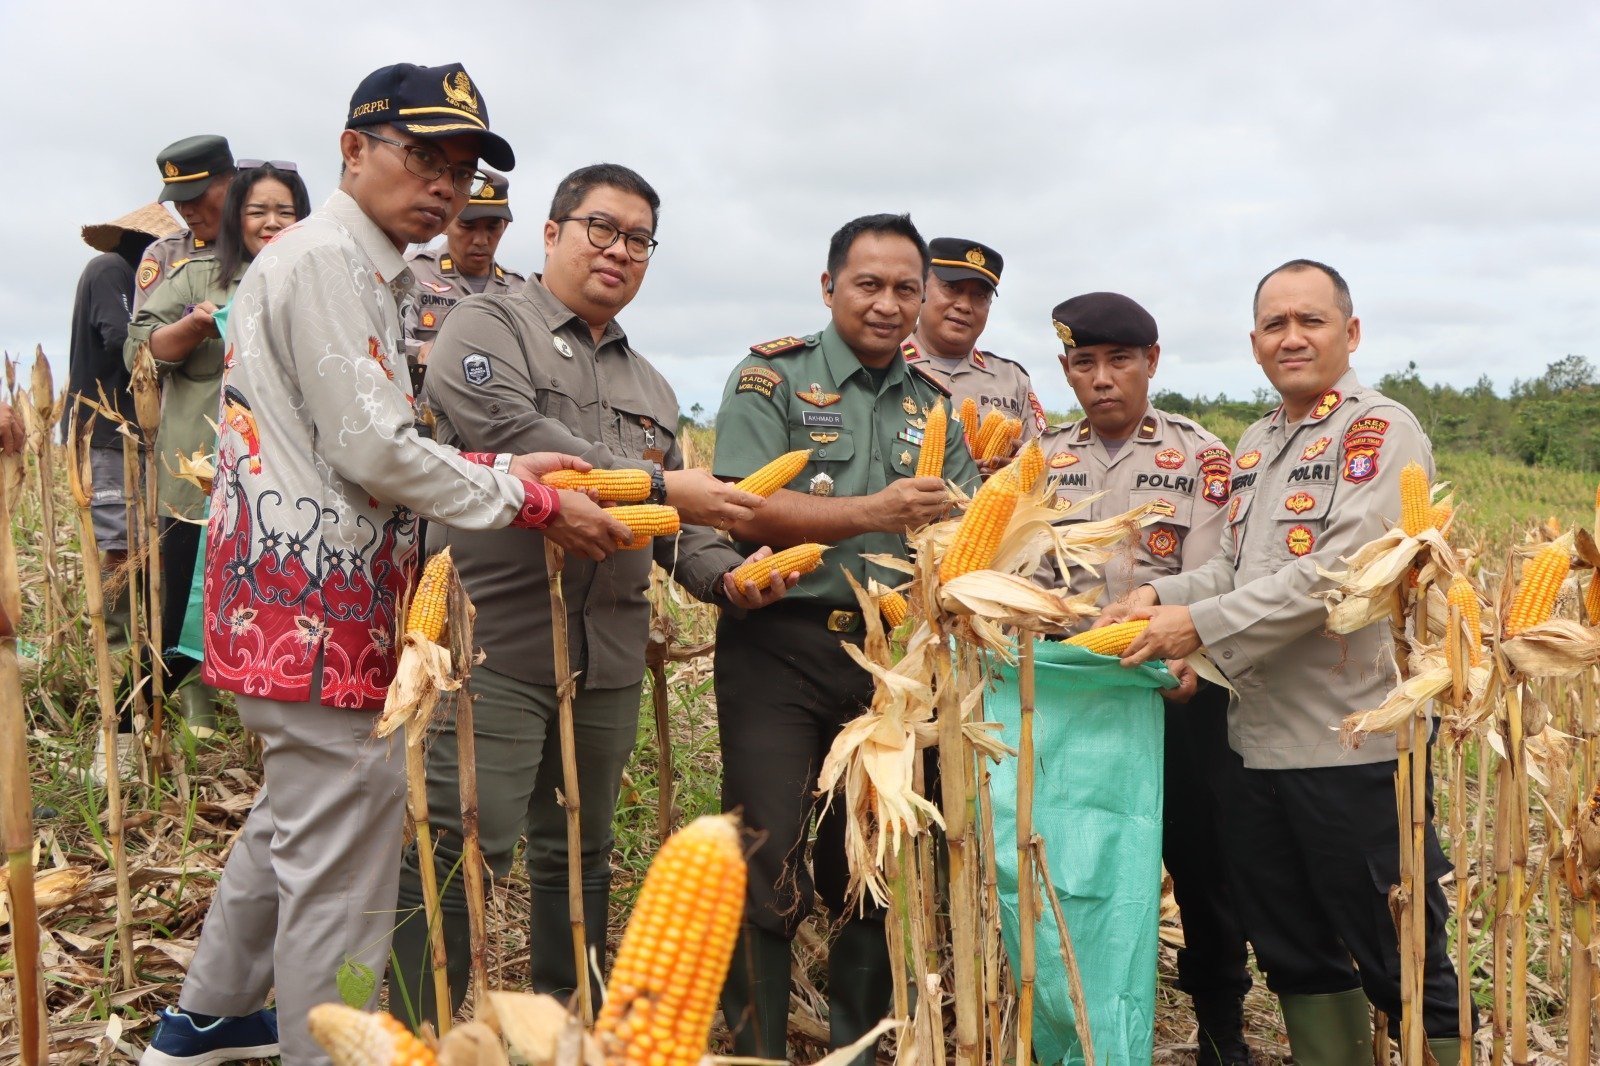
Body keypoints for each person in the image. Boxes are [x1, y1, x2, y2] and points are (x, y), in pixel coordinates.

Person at [139, 62, 630, 1066]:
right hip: (314, 618)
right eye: (423, 158)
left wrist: (499, 463)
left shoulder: (365, 269)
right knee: (347, 883)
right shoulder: (325, 262)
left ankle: (210, 1018)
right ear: (352, 149)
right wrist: (529, 497)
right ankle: (332, 1047)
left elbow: (354, 438)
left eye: (459, 167)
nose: (445, 186)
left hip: (309, 611)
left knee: (294, 823)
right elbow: (372, 453)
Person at [394, 162, 793, 1022]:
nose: (619, 251)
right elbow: (510, 432)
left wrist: (727, 578)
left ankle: (565, 1020)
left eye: (638, 240)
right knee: (460, 843)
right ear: (552, 233)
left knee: (580, 849)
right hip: (491, 642)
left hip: (606, 649)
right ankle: (404, 1029)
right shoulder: (486, 323)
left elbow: (680, 521)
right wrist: (657, 488)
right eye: (600, 229)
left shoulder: (651, 385)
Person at [1103, 260, 1471, 1065]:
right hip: (1256, 743)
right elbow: (1241, 570)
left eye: (1311, 321)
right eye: (1275, 324)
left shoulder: (1380, 431)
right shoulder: (1261, 439)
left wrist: (1190, 624)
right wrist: (1157, 592)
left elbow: (1331, 579)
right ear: (1255, 342)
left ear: (1351, 332)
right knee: (1295, 951)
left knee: (1400, 957)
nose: (1292, 337)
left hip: (1350, 743)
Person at [711, 213, 981, 1065]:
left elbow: (964, 529)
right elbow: (739, 505)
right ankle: (752, 1048)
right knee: (769, 869)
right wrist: (872, 514)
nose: (889, 303)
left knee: (872, 874)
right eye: (869, 284)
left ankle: (854, 1053)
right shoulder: (773, 380)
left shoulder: (936, 406)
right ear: (829, 288)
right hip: (781, 650)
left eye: (908, 288)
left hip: (894, 673)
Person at [1037, 292, 1250, 1065]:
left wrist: (1184, 658)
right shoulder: (1042, 458)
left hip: (1174, 690)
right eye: (1085, 364)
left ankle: (1221, 1028)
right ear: (1066, 370)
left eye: (1119, 361)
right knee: (1076, 855)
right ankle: (1079, 1018)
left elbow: (1220, 576)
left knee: (1203, 860)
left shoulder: (1201, 457)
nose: (1102, 379)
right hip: (1075, 695)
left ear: (1151, 363)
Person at [125, 162, 311, 738]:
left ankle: (256, 710)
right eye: (259, 211)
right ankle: (145, 724)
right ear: (237, 217)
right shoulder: (191, 275)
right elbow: (141, 356)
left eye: (286, 211)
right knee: (177, 591)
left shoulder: (318, 279)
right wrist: (196, 329)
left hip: (280, 477)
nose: (273, 222)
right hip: (196, 470)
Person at [68, 202, 183, 780]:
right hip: (108, 432)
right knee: (119, 554)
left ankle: (147, 685)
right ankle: (113, 686)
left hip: (137, 437)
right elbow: (126, 344)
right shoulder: (111, 273)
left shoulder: (128, 275)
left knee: (150, 554)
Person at [901, 237, 1046, 462]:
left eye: (979, 295)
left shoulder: (1012, 379)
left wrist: (1018, 468)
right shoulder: (884, 363)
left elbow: (1044, 462)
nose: (964, 305)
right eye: (951, 288)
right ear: (921, 288)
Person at [402, 168, 524, 381]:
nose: (480, 240)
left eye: (492, 227)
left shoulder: (518, 290)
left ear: (504, 227)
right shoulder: (411, 272)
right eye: (468, 226)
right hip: (428, 409)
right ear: (445, 224)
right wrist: (428, 352)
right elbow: (389, 341)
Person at [134, 136, 236, 314]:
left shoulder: (267, 242)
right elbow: (142, 339)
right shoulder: (164, 255)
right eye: (177, 200)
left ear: (232, 185)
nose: (185, 210)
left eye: (195, 197)